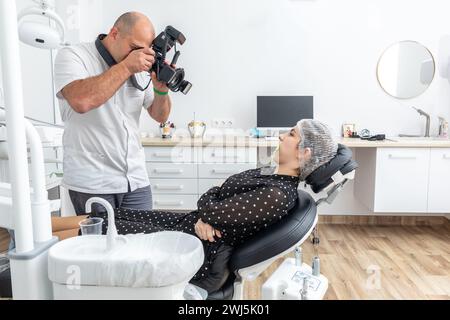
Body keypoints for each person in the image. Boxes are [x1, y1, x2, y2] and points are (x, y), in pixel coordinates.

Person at [85, 119, 339, 293]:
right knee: (110, 216)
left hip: (199, 249)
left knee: (103, 229)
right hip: (191, 226)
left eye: (291, 134)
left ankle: (51, 255)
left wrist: (206, 213)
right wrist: (204, 215)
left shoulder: (276, 195)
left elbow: (212, 204)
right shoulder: (269, 175)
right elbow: (214, 195)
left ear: (304, 153)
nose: (282, 135)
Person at [54, 12, 171, 216]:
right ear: (114, 33)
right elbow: (81, 101)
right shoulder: (74, 56)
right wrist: (126, 67)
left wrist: (161, 90)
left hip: (136, 180)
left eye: (144, 50)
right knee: (100, 245)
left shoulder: (140, 66)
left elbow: (159, 116)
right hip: (94, 182)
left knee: (140, 243)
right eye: (134, 48)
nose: (139, 55)